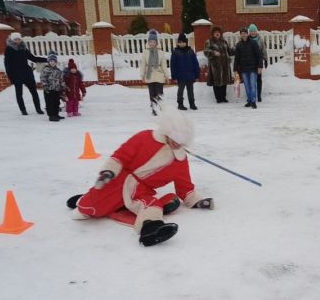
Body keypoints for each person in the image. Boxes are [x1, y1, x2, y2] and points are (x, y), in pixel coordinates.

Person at [67, 105, 214, 247]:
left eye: (181, 142)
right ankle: (82, 198)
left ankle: (151, 230)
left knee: (152, 204)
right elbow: (120, 157)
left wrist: (197, 201)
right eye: (175, 139)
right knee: (89, 209)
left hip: (141, 191)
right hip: (119, 180)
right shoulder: (144, 138)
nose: (177, 144)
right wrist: (108, 172)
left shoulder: (180, 160)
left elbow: (185, 185)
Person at [4, 32, 47, 115]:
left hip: (27, 73)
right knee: (19, 93)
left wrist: (46, 59)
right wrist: (10, 77)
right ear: (12, 40)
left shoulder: (24, 48)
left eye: (19, 39)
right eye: (16, 39)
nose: (18, 41)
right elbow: (7, 64)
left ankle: (38, 109)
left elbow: (33, 58)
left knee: (34, 91)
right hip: (16, 74)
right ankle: (23, 110)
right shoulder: (9, 49)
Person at [141, 29, 170, 115]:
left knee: (159, 93)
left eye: (153, 42)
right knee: (152, 94)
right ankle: (154, 109)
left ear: (156, 43)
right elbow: (143, 64)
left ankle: (161, 108)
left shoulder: (161, 53)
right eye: (150, 41)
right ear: (148, 42)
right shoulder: (145, 52)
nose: (152, 43)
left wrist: (167, 76)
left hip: (159, 76)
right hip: (149, 76)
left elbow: (164, 65)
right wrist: (142, 75)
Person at [233, 27, 263, 109]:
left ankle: (253, 101)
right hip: (244, 69)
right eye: (242, 33)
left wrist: (260, 66)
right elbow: (237, 59)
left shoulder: (253, 43)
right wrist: (235, 70)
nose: (243, 35)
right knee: (247, 85)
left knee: (253, 85)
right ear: (240, 35)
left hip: (253, 68)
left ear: (247, 34)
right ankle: (249, 100)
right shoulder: (239, 45)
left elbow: (259, 55)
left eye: (245, 33)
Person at [170, 33, 201, 111]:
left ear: (186, 42)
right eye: (180, 42)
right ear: (178, 43)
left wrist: (197, 75)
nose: (181, 44)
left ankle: (192, 104)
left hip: (190, 75)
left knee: (190, 91)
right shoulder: (175, 52)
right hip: (180, 76)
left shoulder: (190, 51)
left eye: (183, 42)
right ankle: (180, 104)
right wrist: (174, 76)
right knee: (180, 90)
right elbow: (172, 65)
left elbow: (195, 63)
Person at [204, 26, 233, 103]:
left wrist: (236, 49)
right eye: (215, 32)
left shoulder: (224, 42)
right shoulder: (209, 41)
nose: (217, 34)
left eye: (218, 32)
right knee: (216, 82)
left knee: (224, 82)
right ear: (213, 33)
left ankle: (223, 97)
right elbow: (206, 51)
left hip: (225, 65)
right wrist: (213, 52)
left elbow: (229, 51)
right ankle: (218, 98)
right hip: (215, 66)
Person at [39, 52, 66, 122]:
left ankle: (56, 114)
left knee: (56, 102)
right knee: (50, 103)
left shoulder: (58, 70)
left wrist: (63, 87)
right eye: (51, 61)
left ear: (56, 62)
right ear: (48, 62)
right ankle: (51, 116)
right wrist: (45, 87)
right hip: (49, 89)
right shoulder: (46, 69)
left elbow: (61, 79)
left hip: (57, 89)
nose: (52, 63)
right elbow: (43, 78)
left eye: (54, 61)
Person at [248, 24, 268, 102]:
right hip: (250, 62)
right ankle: (252, 95)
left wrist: (265, 60)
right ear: (250, 32)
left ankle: (259, 95)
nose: (253, 33)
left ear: (256, 31)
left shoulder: (260, 39)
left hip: (258, 62)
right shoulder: (247, 39)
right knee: (251, 79)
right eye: (251, 31)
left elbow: (264, 50)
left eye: (254, 31)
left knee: (258, 79)